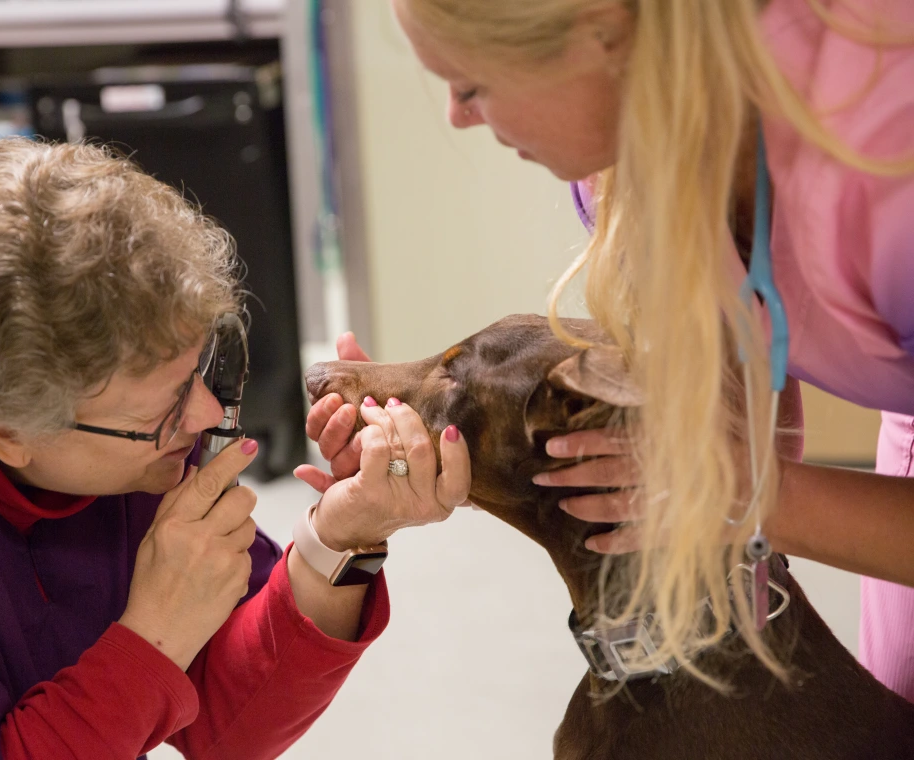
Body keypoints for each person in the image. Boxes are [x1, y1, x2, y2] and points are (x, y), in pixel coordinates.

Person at [0, 138, 471, 759]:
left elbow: (226, 730)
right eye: (166, 406)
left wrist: (339, 540)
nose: (202, 415)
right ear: (9, 433)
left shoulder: (127, 433)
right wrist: (155, 635)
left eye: (203, 366)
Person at [305, 0, 914, 694]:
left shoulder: (890, 177)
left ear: (603, 32)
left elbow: (735, 480)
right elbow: (726, 432)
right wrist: (476, 448)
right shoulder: (620, 167)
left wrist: (741, 492)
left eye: (473, 86)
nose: (457, 117)